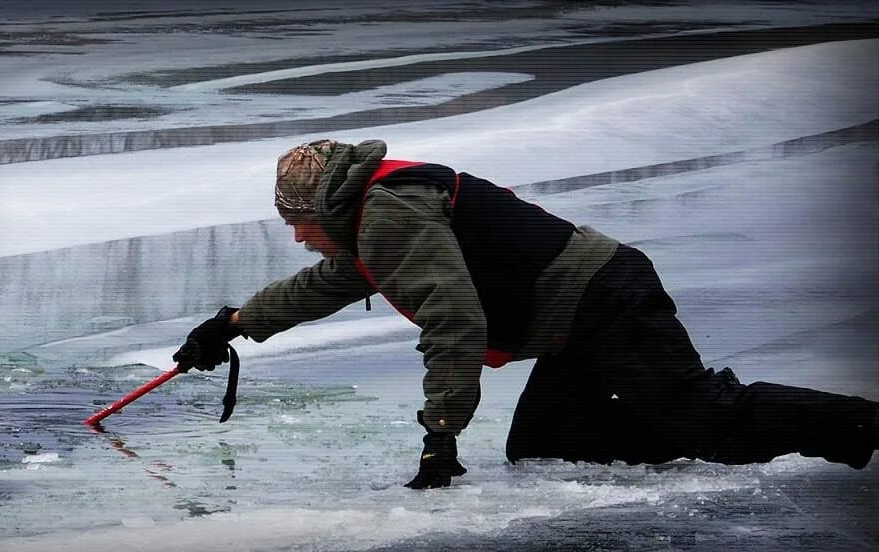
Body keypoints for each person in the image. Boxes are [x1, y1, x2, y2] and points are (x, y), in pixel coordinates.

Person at [173, 139, 878, 489]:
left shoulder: (388, 217)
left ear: (326, 207)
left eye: (299, 221)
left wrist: (440, 435)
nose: (297, 235)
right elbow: (328, 282)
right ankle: (672, 416)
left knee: (707, 422)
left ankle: (859, 423)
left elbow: (454, 322)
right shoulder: (374, 218)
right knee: (543, 453)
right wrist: (235, 323)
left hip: (602, 300)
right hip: (572, 321)